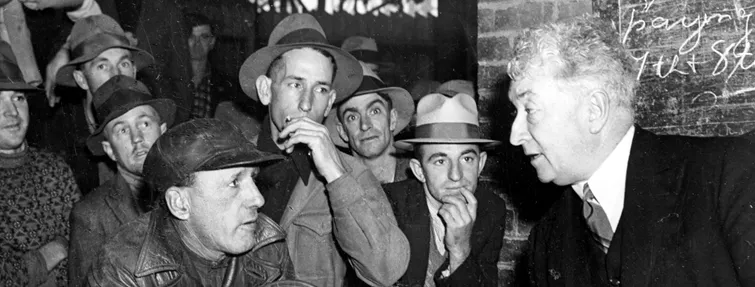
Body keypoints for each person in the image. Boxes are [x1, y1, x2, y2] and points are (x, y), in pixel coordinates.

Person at [508, 15, 755, 286]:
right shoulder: (546, 242)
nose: (514, 136)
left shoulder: (728, 175)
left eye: (529, 110)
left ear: (594, 111)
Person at [239, 13, 410, 286]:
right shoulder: (229, 163)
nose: (307, 104)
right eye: (295, 84)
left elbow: (386, 270)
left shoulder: (349, 172)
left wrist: (335, 175)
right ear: (266, 90)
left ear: (330, 101)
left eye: (319, 89)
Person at [87, 118, 311, 286]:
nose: (258, 199)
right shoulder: (124, 269)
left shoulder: (269, 247)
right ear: (180, 204)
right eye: (234, 182)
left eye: (252, 178)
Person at [385, 92, 505, 286]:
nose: (456, 175)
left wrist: (460, 250)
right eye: (440, 161)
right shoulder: (390, 204)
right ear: (419, 171)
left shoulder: (491, 209)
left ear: (480, 163)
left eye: (467, 159)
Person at [67, 75, 175, 286]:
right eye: (123, 130)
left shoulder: (189, 191)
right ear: (110, 150)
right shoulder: (91, 216)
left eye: (144, 123)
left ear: (162, 131)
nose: (137, 138)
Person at [0, 40, 81, 286]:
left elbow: (84, 241)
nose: (12, 112)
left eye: (18, 98)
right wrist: (53, 251)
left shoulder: (54, 168)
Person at [325, 62, 414, 183]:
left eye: (375, 111)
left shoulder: (420, 177)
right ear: (342, 131)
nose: (365, 125)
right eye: (352, 117)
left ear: (392, 119)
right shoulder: (336, 184)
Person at [184, 12, 236, 119]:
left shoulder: (226, 85)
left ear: (212, 42)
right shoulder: (171, 79)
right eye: (191, 37)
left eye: (204, 37)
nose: (197, 42)